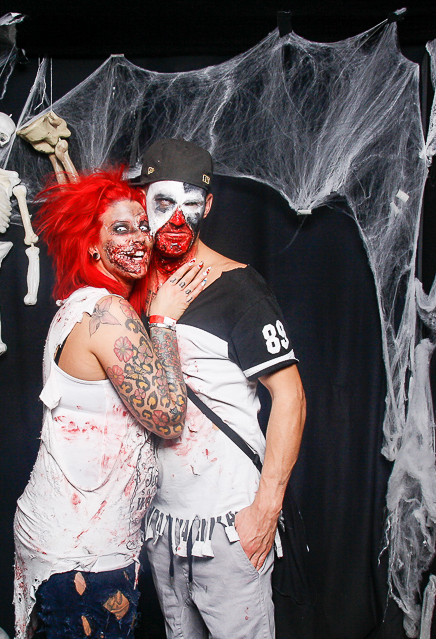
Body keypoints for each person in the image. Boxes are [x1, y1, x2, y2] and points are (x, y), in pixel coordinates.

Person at [12, 166, 208, 639]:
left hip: (74, 541)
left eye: (142, 225)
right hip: (82, 554)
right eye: (121, 228)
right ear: (92, 246)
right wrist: (162, 321)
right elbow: (168, 417)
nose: (140, 238)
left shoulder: (79, 306)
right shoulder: (107, 312)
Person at [132, 139, 307, 639]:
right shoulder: (134, 289)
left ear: (208, 206)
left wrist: (264, 511)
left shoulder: (239, 287)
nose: (177, 218)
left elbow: (290, 397)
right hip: (163, 528)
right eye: (163, 202)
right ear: (143, 201)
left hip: (231, 527)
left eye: (190, 203)